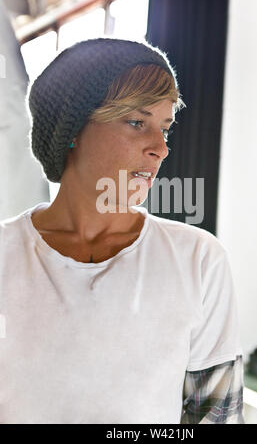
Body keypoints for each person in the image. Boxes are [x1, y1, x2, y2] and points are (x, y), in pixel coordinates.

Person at [0, 37, 244, 424]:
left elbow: (214, 416)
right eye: (137, 123)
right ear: (72, 129)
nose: (161, 148)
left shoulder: (198, 259)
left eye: (165, 127)